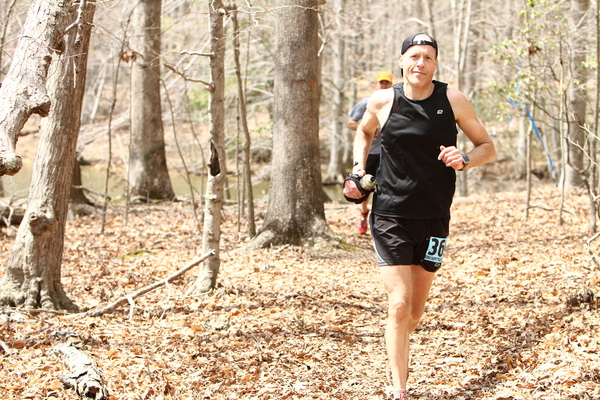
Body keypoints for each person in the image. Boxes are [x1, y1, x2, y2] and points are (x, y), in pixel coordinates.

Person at [343, 33, 495, 400]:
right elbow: (364, 131)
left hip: (435, 216)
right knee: (398, 303)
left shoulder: (453, 100)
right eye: (414, 56)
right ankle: (400, 390)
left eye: (427, 57)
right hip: (390, 214)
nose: (420, 63)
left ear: (435, 64)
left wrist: (465, 159)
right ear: (402, 61)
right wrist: (358, 169)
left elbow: (487, 147)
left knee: (413, 314)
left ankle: (396, 345)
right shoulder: (383, 100)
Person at [347, 71, 393, 234]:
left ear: (391, 85)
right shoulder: (367, 102)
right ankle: (363, 213)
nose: (384, 85)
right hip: (370, 153)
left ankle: (381, 219)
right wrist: (370, 130)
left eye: (387, 83)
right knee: (365, 186)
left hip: (388, 153)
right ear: (376, 84)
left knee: (385, 189)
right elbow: (351, 123)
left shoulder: (395, 103)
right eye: (381, 82)